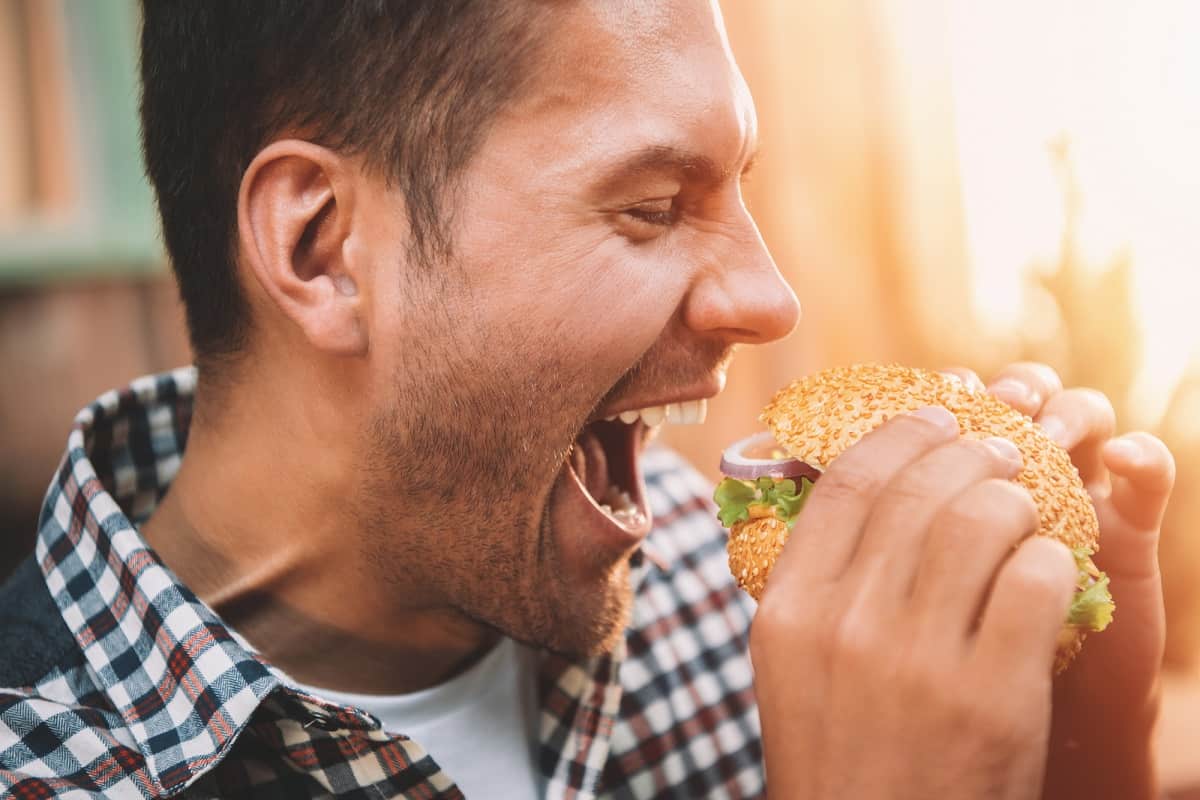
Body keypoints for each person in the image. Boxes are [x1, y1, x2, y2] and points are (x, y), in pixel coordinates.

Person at [0, 2, 1175, 798]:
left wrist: (1081, 752)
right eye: (655, 204)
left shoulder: (747, 599)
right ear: (321, 248)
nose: (770, 299)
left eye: (740, 190)